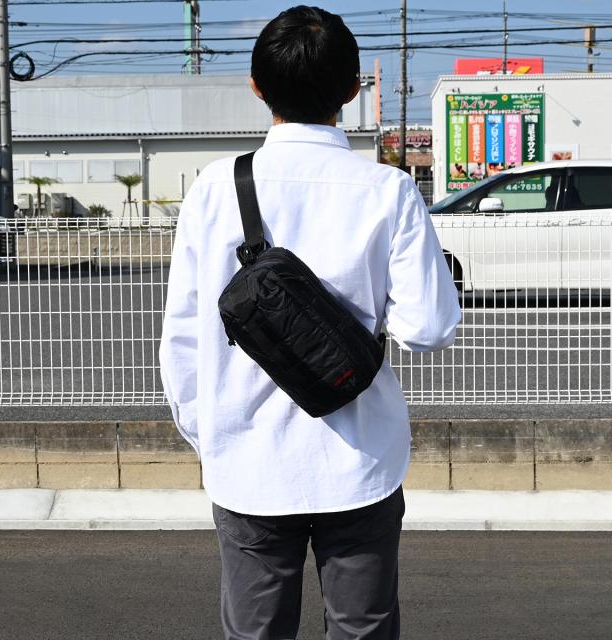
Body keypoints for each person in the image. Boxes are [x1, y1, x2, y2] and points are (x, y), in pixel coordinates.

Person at [159, 6, 461, 639]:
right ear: (353, 90)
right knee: (362, 628)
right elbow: (427, 328)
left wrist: (210, 437)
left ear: (256, 86)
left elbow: (183, 334)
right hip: (361, 457)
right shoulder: (387, 190)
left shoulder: (214, 188)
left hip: (246, 461)